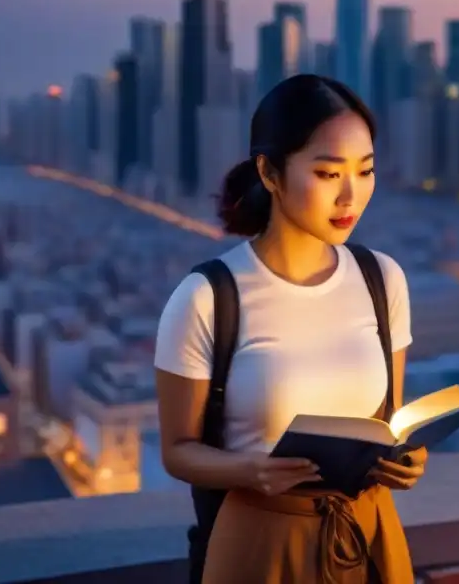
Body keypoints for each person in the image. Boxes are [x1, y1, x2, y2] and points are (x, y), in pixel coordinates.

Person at [154, 74, 425, 584]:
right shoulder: (209, 297)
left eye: (365, 171)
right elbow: (177, 450)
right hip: (260, 540)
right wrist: (248, 470)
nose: (351, 195)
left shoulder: (381, 279)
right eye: (327, 174)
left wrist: (406, 458)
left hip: (368, 537)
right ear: (270, 172)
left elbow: (386, 422)